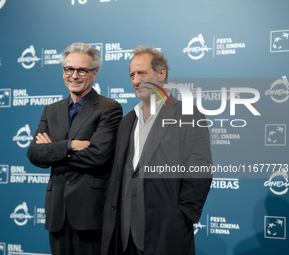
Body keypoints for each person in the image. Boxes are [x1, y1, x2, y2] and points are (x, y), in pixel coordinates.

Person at [101, 46, 212, 255]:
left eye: (142, 73)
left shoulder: (188, 115)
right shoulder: (126, 121)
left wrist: (183, 215)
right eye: (132, 75)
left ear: (161, 74)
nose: (135, 80)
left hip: (166, 232)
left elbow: (200, 170)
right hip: (124, 235)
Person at [27, 42, 123, 255]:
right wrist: (70, 145)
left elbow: (98, 156)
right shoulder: (51, 110)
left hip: (90, 213)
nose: (75, 75)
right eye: (69, 69)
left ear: (94, 74)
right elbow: (34, 154)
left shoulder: (109, 108)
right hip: (57, 213)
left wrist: (52, 150)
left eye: (82, 70)